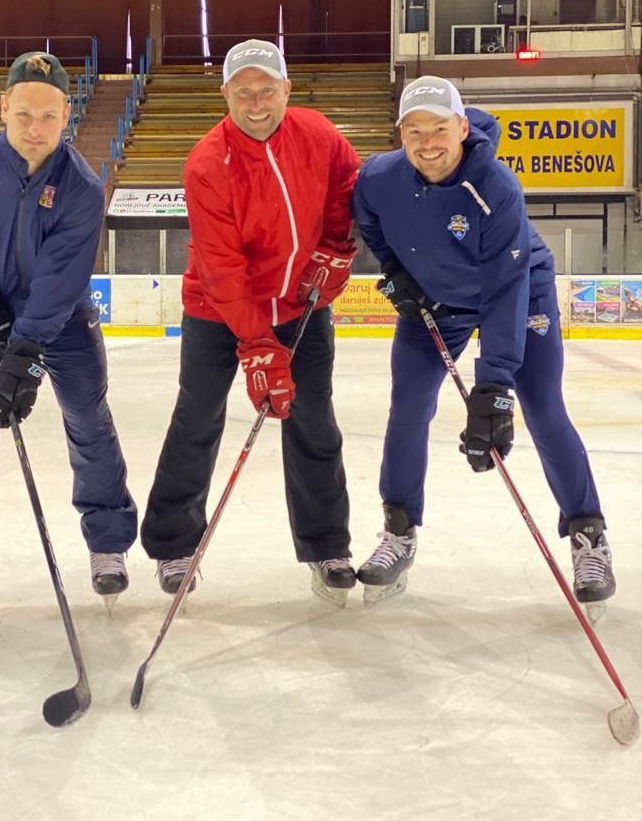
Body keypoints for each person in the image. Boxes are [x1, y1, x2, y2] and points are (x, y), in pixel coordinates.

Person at [352, 74, 616, 609]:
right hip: (435, 303)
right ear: (400, 133)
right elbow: (370, 223)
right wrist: (395, 271)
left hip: (519, 291)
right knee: (408, 408)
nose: (428, 143)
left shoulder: (494, 186)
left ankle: (588, 532)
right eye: (414, 131)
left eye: (440, 129)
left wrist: (494, 384)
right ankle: (399, 528)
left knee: (542, 407)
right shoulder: (378, 177)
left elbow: (504, 287)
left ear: (462, 127)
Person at [0, 51, 137, 612]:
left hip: (58, 324)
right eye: (24, 115)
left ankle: (108, 543)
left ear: (67, 112)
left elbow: (60, 282)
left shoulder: (81, 188)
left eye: (49, 116)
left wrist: (23, 357)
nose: (35, 129)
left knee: (89, 419)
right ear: (5, 106)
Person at [140, 39, 360, 604]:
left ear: (287, 89)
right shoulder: (209, 162)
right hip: (219, 309)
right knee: (198, 418)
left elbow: (344, 189)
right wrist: (257, 344)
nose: (256, 103)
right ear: (226, 97)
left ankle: (327, 544)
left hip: (300, 306)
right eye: (243, 93)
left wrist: (335, 248)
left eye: (266, 90)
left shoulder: (320, 135)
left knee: (313, 420)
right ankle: (173, 543)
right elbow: (223, 267)